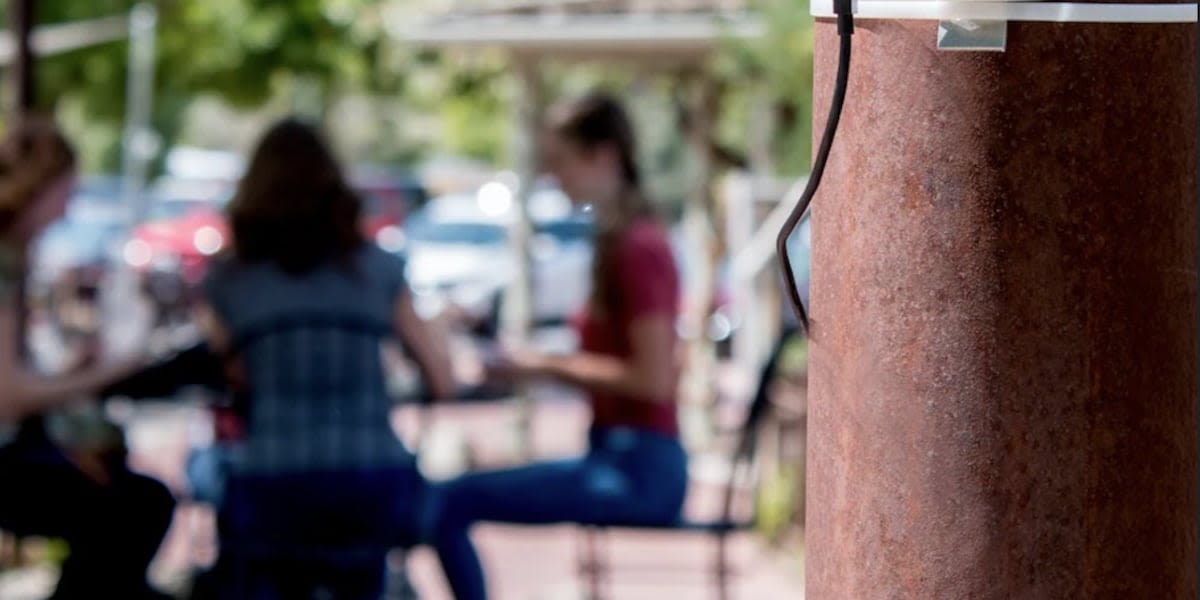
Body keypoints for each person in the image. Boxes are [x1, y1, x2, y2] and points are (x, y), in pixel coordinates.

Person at [427, 93, 688, 600]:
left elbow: (653, 379)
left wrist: (540, 364)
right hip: (619, 457)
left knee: (447, 501)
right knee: (451, 496)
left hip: (638, 471)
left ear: (605, 156)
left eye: (560, 160)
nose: (551, 175)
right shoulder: (620, 239)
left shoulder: (638, 246)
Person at [190, 118, 455, 599]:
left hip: (272, 484)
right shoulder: (377, 269)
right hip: (372, 481)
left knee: (209, 477)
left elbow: (235, 377)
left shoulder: (230, 279)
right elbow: (442, 379)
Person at [0, 117, 174, 600]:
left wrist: (73, 372)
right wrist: (104, 372)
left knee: (129, 505)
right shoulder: (6, 260)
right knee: (136, 507)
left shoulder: (16, 259)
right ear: (41, 187)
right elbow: (9, 399)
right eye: (66, 193)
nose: (69, 209)